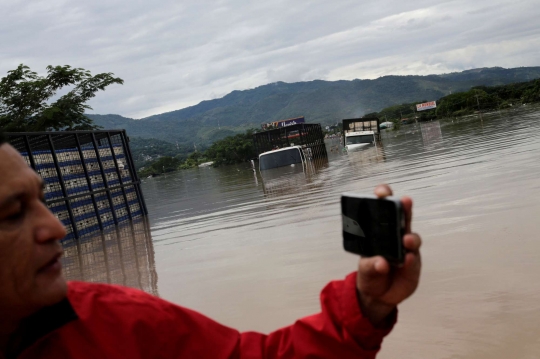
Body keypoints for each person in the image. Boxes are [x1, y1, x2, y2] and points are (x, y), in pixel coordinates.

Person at [0, 132, 422, 359]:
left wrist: (364, 308)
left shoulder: (121, 323)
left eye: (43, 200)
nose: (55, 227)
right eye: (11, 213)